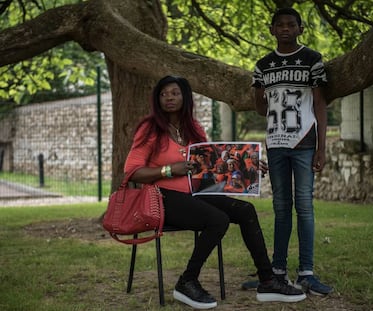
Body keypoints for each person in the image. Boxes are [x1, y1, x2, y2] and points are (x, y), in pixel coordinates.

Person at [124, 75, 306, 309]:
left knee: (245, 210)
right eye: (163, 93)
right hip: (162, 197)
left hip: (195, 194)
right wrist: (169, 170)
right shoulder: (150, 129)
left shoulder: (193, 128)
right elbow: (132, 172)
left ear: (185, 97)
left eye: (174, 93)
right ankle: (187, 281)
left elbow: (210, 167)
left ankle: (268, 280)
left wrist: (248, 165)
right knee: (218, 220)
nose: (168, 98)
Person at [249, 8, 333, 296]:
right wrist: (261, 95)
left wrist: (322, 147)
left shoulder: (312, 60)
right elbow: (260, 107)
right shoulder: (263, 65)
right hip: (275, 143)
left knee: (305, 206)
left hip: (304, 143)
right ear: (272, 30)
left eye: (291, 24)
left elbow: (320, 104)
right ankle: (278, 271)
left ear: (300, 28)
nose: (285, 28)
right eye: (279, 25)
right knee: (281, 207)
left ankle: (307, 272)